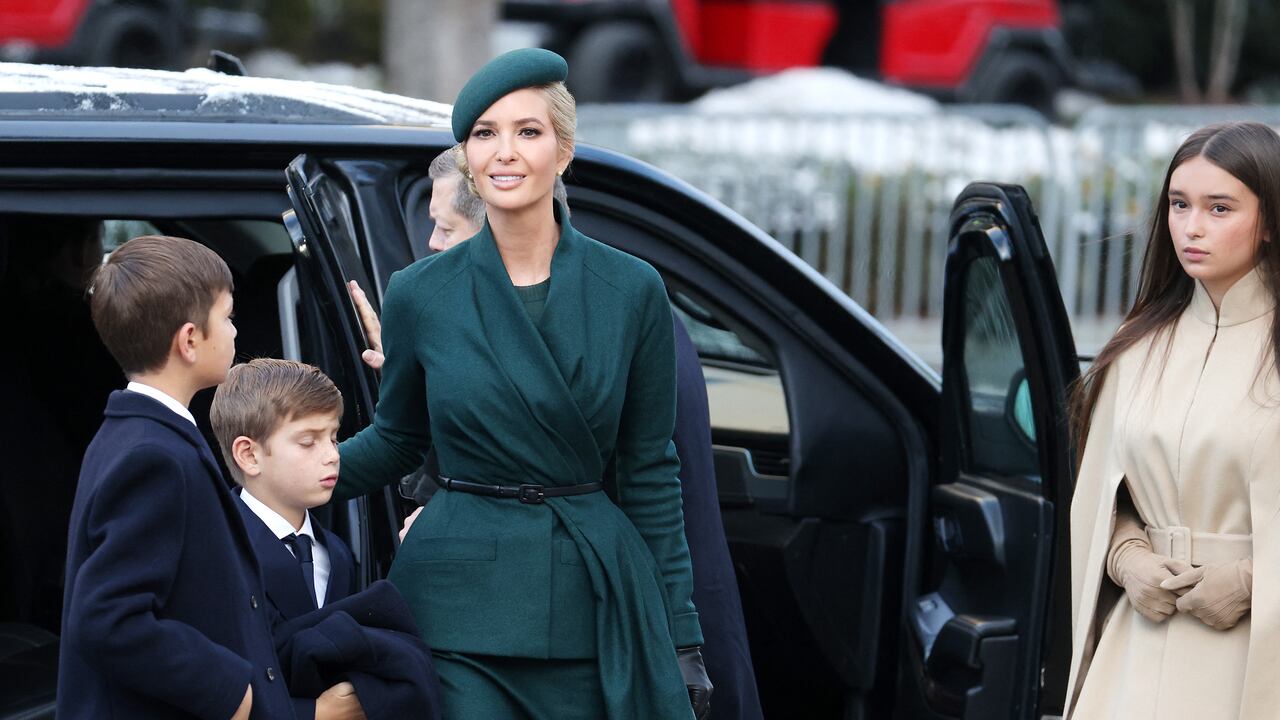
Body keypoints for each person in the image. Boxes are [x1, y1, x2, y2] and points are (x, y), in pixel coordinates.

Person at [334, 48, 712, 719]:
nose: (504, 152)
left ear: (563, 153)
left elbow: (651, 473)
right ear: (469, 159)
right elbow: (396, 440)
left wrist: (681, 636)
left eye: (527, 132)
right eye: (485, 134)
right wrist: (285, 475)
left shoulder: (632, 292)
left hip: (590, 607)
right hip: (456, 608)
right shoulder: (419, 294)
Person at [1067, 121, 1280, 719]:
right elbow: (1103, 493)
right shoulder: (1137, 346)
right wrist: (1126, 555)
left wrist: (1251, 579)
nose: (1192, 227)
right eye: (1179, 205)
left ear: (1269, 221)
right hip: (1137, 647)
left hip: (1255, 655)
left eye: (1220, 208)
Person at [56, 235, 290, 720]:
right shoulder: (153, 458)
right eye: (226, 318)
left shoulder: (136, 434)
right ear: (188, 340)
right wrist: (229, 689)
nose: (234, 330)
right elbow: (108, 619)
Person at [211, 358, 363, 719]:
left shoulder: (338, 555)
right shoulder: (219, 551)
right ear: (249, 455)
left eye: (334, 437)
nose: (332, 455)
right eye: (308, 442)